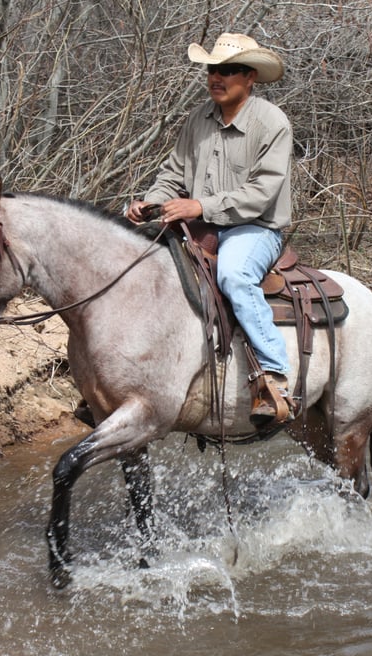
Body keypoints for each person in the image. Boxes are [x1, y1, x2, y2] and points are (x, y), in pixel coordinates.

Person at [127, 32, 294, 427]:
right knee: (137, 266)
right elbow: (172, 173)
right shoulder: (198, 119)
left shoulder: (272, 123)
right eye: (212, 70)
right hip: (197, 225)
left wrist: (202, 205)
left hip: (254, 228)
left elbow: (262, 191)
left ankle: (274, 376)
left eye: (229, 70)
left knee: (234, 275)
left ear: (250, 77)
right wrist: (152, 201)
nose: (217, 77)